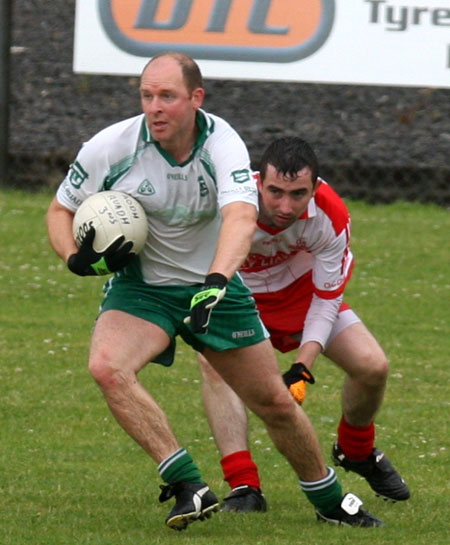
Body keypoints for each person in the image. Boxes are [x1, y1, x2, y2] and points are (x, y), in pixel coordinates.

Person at [46, 52, 383, 531]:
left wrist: (217, 282)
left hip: (214, 289)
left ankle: (330, 500)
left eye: (167, 96)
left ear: (195, 98)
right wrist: (74, 258)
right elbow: (60, 210)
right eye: (147, 95)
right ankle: (188, 484)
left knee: (274, 404)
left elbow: (241, 218)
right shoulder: (112, 145)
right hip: (144, 290)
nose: (155, 107)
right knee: (107, 366)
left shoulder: (221, 143)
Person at [198, 135, 410, 514]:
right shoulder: (227, 200)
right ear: (258, 181)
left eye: (298, 194)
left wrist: (302, 367)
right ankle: (244, 486)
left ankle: (356, 452)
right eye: (275, 191)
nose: (284, 206)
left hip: (301, 296)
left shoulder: (331, 214)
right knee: (214, 367)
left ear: (315, 188)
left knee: (372, 366)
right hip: (239, 296)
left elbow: (327, 299)